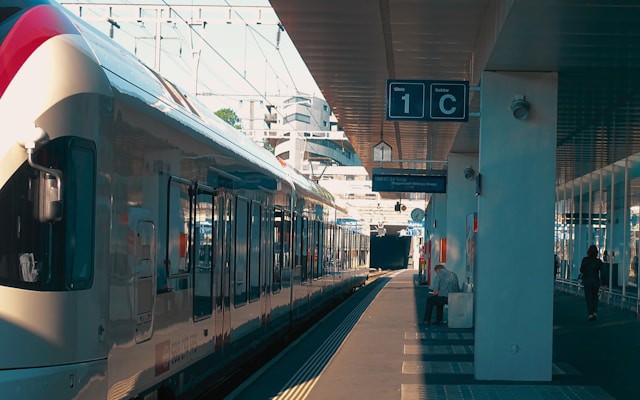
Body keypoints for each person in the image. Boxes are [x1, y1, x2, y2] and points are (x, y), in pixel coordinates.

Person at [580, 244, 603, 321]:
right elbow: (603, 272)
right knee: (595, 296)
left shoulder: (585, 260)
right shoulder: (598, 261)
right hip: (596, 281)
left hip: (587, 280)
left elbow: (581, 270)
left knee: (588, 297)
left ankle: (590, 314)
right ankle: (595, 312)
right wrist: (604, 283)